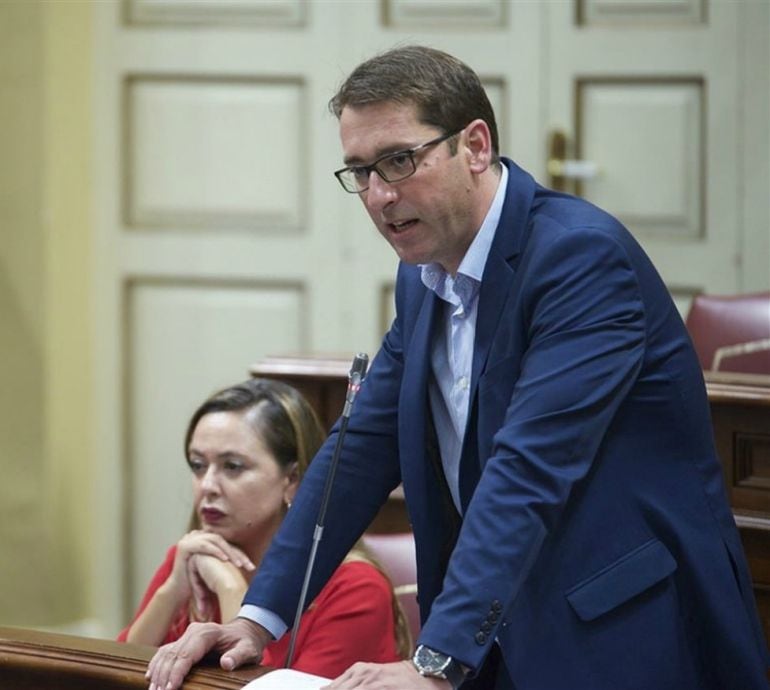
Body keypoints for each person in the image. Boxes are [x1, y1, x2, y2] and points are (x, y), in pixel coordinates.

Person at [146, 46, 769, 690]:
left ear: (474, 145)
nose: (379, 195)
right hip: (502, 627)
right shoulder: (422, 275)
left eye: (398, 160)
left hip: (620, 633)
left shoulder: (580, 259)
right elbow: (359, 448)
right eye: (360, 171)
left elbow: (528, 468)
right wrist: (259, 617)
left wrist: (436, 660)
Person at [121, 378, 409, 678]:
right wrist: (171, 592)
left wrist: (232, 591)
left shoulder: (355, 588)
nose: (207, 486)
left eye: (232, 466)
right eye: (197, 465)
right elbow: (112, 675)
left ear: (293, 480)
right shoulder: (193, 557)